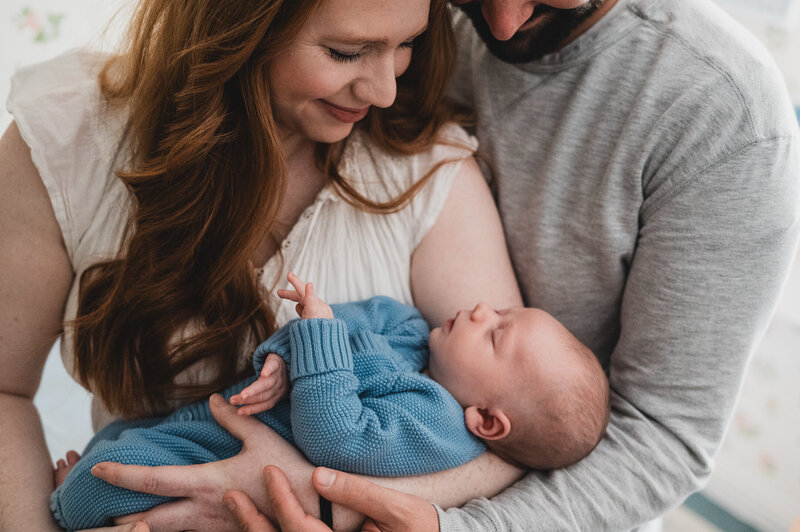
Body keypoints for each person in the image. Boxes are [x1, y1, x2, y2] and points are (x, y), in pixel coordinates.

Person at [147, 0, 800, 530]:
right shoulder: (408, 24)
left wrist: (363, 506)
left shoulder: (722, 117)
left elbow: (662, 439)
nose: (501, 25)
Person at [0, 0, 529, 530]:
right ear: (238, 24)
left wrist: (313, 497)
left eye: (407, 43)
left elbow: (515, 437)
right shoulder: (66, 137)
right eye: (345, 52)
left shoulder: (431, 175)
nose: (385, 90)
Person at [50, 272, 609, 530]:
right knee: (117, 438)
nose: (483, 310)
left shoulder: (436, 428)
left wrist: (316, 336)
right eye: (503, 311)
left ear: (485, 419)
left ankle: (63, 509)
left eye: (495, 335)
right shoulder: (408, 327)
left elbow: (337, 437)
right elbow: (343, 322)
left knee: (111, 475)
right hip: (215, 416)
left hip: (220, 455)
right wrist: (282, 359)